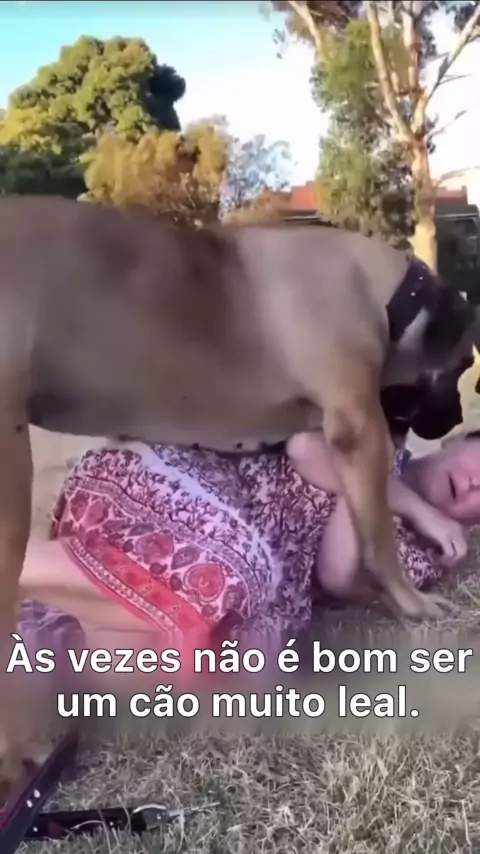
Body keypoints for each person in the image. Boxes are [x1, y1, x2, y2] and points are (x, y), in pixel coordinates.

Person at [16, 425, 480, 688]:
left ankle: (50, 619)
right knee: (230, 577)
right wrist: (400, 494)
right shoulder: (379, 428)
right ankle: (18, 564)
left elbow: (338, 574)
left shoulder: (424, 554)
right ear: (456, 438)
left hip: (244, 579)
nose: (476, 485)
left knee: (240, 668)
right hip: (178, 489)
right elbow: (305, 448)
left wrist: (365, 485)